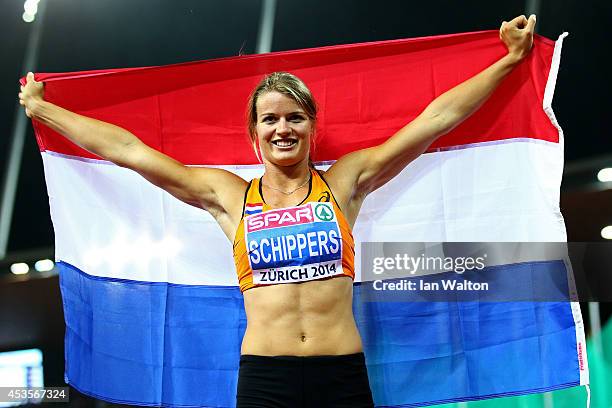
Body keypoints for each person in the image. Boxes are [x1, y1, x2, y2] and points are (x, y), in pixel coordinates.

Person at [19, 15, 536, 408]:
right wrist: (44, 109)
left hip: (342, 374)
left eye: (294, 117)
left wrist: (509, 60)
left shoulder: (345, 183)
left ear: (312, 126)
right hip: (265, 378)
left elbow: (436, 119)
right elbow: (127, 151)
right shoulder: (228, 196)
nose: (282, 128)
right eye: (269, 119)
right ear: (254, 133)